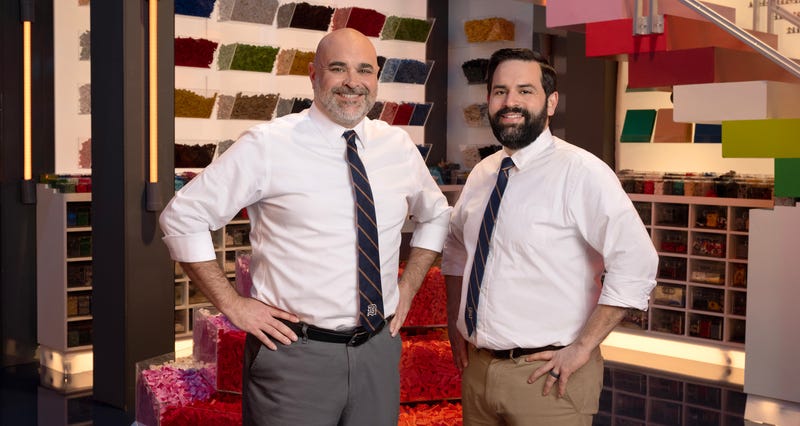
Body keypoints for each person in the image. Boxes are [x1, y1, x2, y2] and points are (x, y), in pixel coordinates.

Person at [159, 28, 451, 425]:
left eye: (365, 70)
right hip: (295, 356)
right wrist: (232, 305)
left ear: (376, 78)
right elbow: (182, 217)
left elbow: (436, 214)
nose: (353, 81)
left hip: (378, 351)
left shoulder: (396, 147)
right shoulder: (268, 145)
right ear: (314, 75)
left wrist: (409, 286)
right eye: (338, 68)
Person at [441, 48, 658, 426]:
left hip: (549, 378)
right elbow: (457, 249)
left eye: (525, 91)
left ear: (551, 102)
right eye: (500, 91)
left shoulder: (582, 172)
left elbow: (637, 261)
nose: (510, 102)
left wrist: (583, 347)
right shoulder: (483, 174)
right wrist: (455, 320)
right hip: (478, 372)